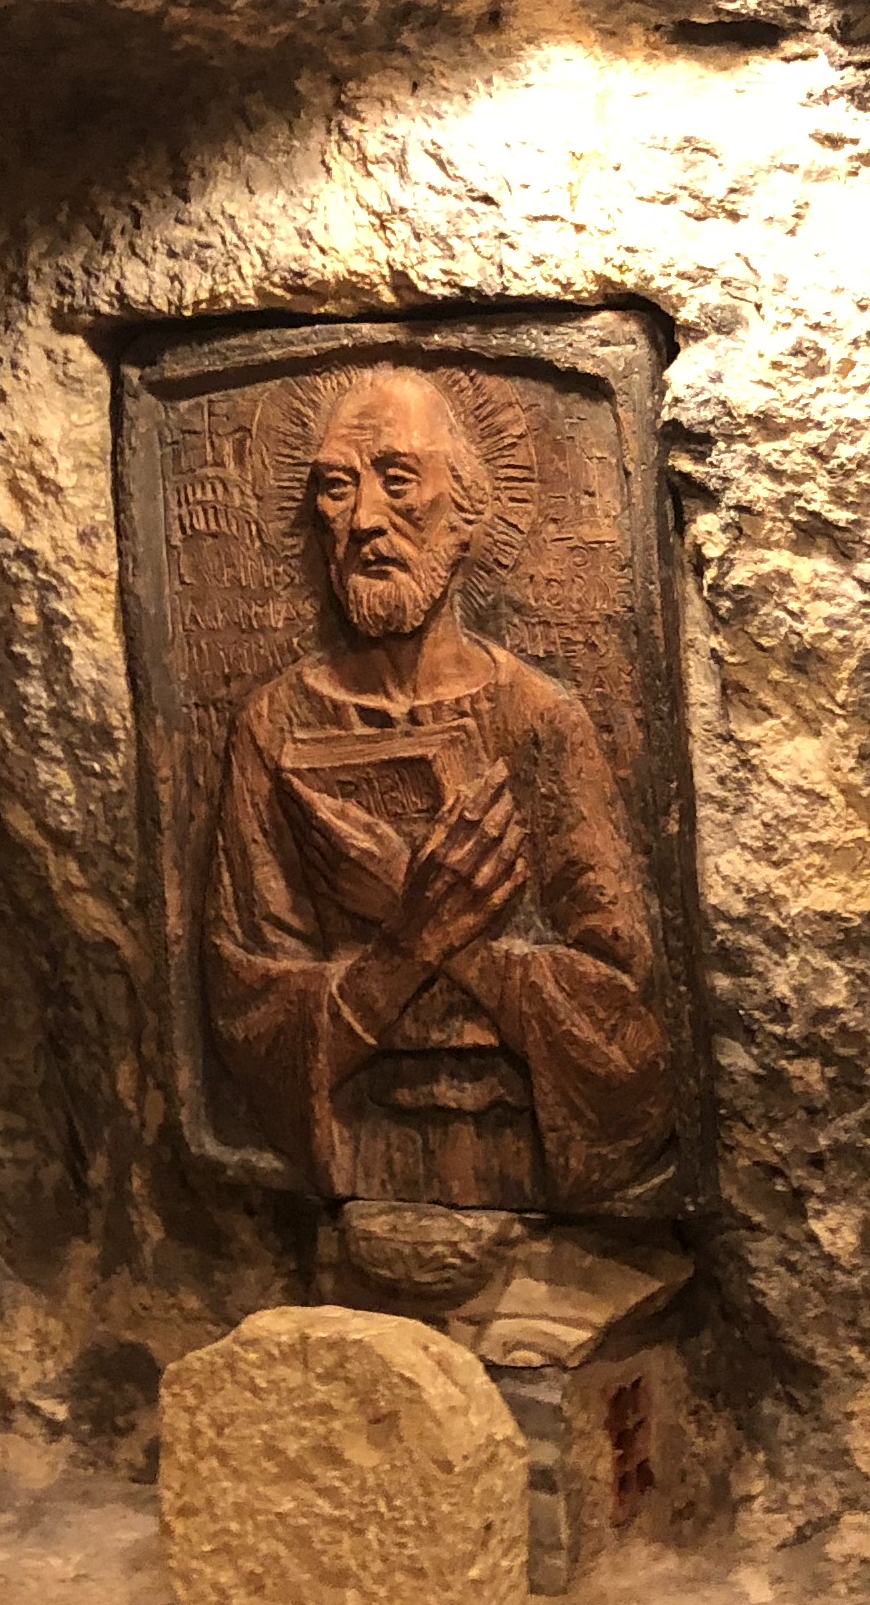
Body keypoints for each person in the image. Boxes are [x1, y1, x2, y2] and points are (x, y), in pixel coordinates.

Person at [200, 365, 675, 1209]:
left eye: (398, 479)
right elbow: (249, 1015)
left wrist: (432, 927)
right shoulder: (271, 728)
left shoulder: (537, 721)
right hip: (358, 1156)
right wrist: (411, 942)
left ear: (467, 510)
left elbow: (624, 1028)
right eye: (337, 488)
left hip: (515, 1149)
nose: (364, 520)